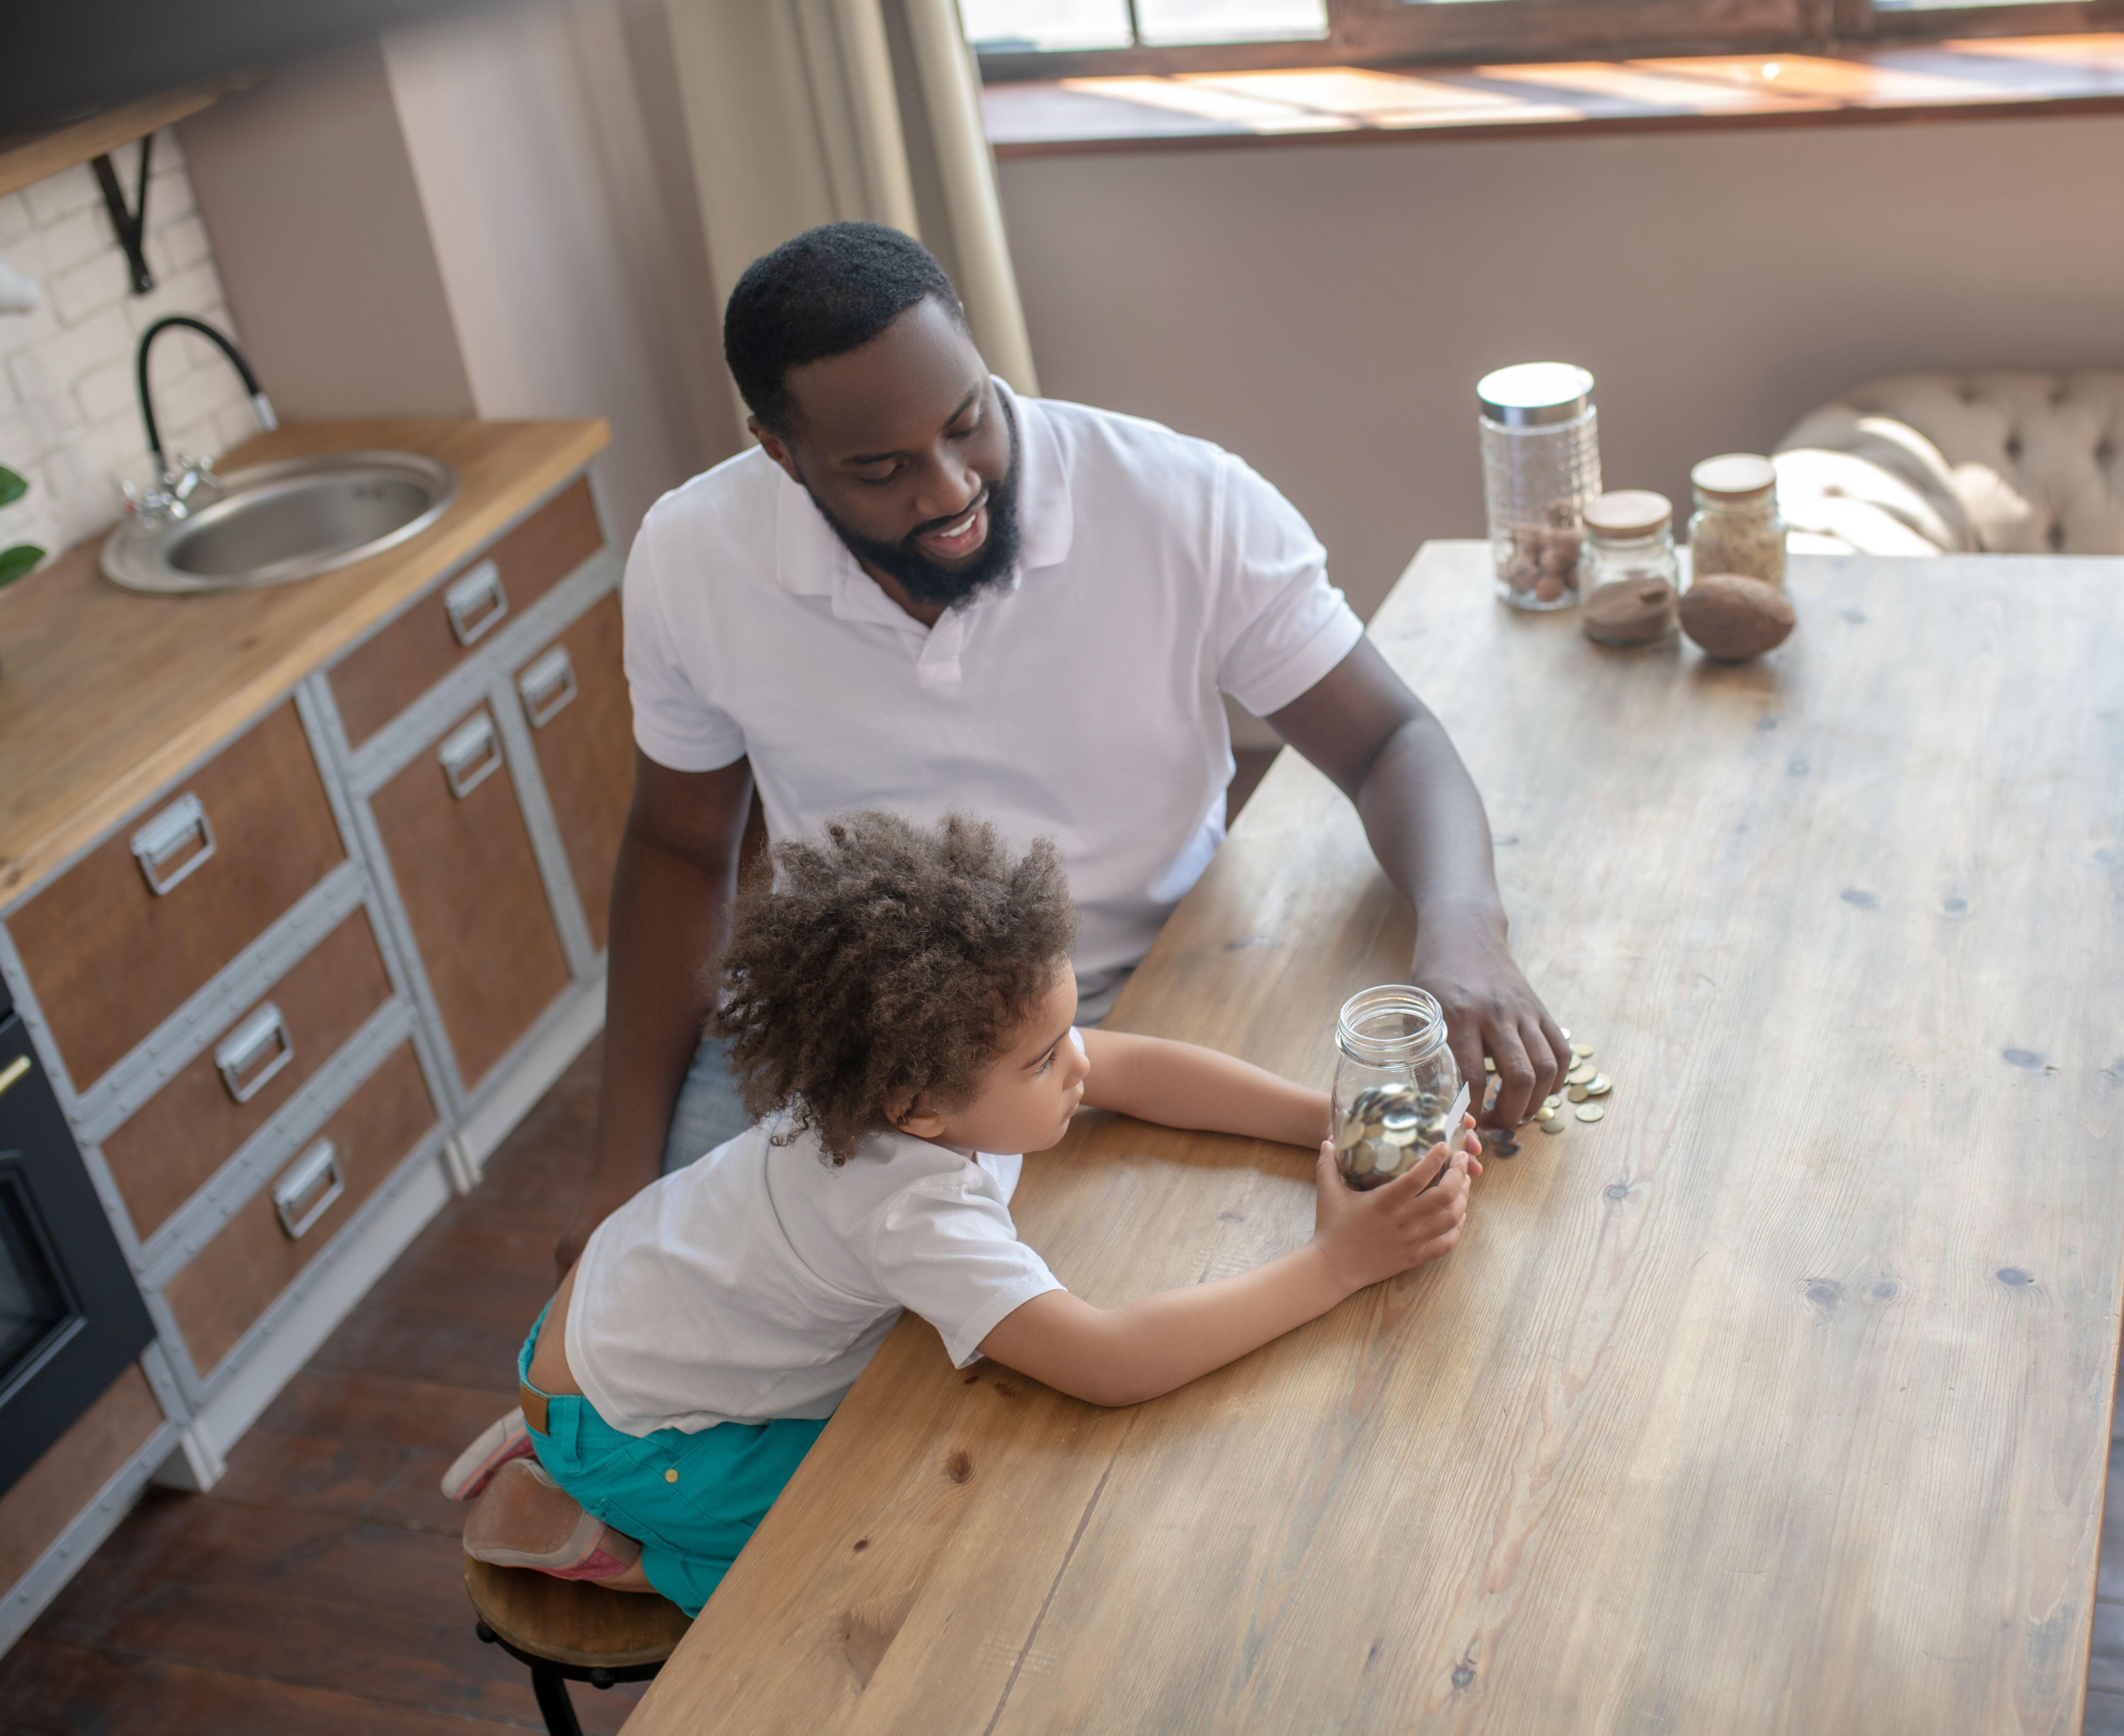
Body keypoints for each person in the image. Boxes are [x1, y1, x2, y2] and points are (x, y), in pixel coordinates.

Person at [552, 222, 1561, 1276]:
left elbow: (1391, 740)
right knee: (654, 1320)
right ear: (779, 451)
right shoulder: (692, 554)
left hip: (1140, 992)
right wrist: (616, 1175)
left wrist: (1464, 929)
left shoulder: (1183, 500)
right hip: (860, 1038)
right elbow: (678, 848)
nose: (947, 490)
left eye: (967, 422)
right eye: (881, 468)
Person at [459, 812, 1479, 1613]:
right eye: (1045, 1060)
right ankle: (596, 1531)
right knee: (851, 1549)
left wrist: (1333, 1119)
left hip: (615, 1314)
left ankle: (561, 1439)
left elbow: (1135, 1068)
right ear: (917, 1108)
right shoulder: (905, 1207)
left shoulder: (922, 1085)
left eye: (1067, 1027)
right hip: (629, 1426)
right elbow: (1110, 1362)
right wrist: (1338, 1264)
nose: (1081, 1061)